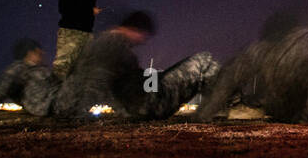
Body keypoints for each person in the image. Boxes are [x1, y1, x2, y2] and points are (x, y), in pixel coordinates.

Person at [49, 10, 219, 120]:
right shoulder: (112, 44)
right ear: (133, 29)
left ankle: (211, 107)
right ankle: (227, 107)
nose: (142, 40)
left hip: (140, 103)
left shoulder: (103, 45)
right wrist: (79, 112)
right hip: (149, 104)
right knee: (204, 59)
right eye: (142, 35)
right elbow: (97, 78)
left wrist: (153, 76)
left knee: (152, 72)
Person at [0, 38, 60, 116]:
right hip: (49, 104)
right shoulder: (19, 68)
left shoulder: (41, 69)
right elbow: (2, 86)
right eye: (38, 51)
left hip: (59, 98)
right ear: (30, 53)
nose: (42, 53)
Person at [53, 0, 102, 79]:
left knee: (85, 70)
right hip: (70, 33)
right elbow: (64, 10)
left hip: (87, 34)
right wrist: (89, 11)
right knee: (62, 68)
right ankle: (54, 96)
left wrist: (91, 12)